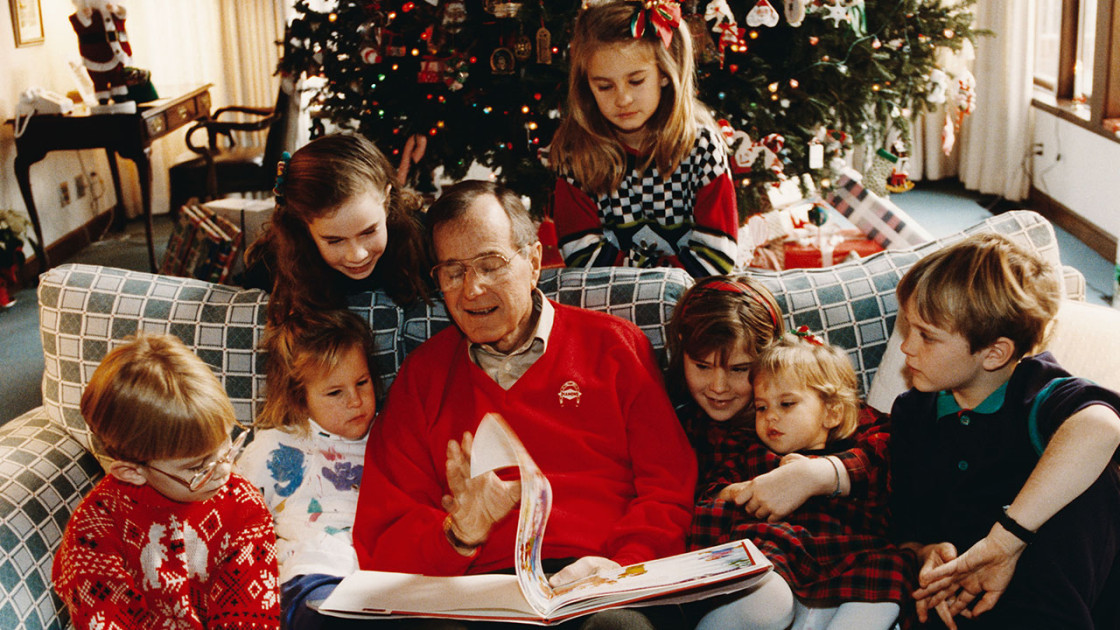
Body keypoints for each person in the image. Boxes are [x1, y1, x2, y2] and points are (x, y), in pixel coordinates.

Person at [352, 179, 697, 629]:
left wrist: (623, 568)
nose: (472, 289)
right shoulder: (423, 377)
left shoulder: (615, 347)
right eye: (453, 272)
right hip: (478, 597)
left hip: (601, 585)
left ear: (533, 262)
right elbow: (382, 537)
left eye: (490, 265)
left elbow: (668, 490)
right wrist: (458, 534)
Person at [890, 232, 1120, 629]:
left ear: (995, 353)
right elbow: (906, 530)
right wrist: (925, 553)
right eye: (907, 327)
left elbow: (1102, 425)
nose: (906, 346)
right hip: (966, 598)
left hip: (1060, 604)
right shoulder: (912, 412)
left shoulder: (1037, 392)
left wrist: (1005, 540)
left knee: (1087, 471)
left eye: (926, 335)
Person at [666, 276, 899, 630]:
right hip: (762, 570)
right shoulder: (685, 429)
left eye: (739, 369)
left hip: (842, 562)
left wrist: (819, 474)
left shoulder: (824, 409)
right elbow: (696, 509)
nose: (718, 386)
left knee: (886, 584)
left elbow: (892, 445)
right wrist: (740, 493)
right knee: (768, 599)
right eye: (702, 366)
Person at [52, 333, 280, 628]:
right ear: (133, 472)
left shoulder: (242, 504)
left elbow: (251, 617)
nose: (224, 469)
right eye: (197, 467)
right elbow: (103, 620)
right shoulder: (94, 527)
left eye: (227, 445)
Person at [547, 0, 739, 278]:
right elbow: (581, 257)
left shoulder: (702, 147)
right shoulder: (576, 154)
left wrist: (653, 283)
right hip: (612, 299)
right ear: (586, 85)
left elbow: (716, 257)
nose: (623, 99)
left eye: (636, 81)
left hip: (695, 298)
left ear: (664, 74)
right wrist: (655, 280)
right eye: (604, 86)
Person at [238, 309, 381, 629]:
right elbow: (234, 517)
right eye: (335, 392)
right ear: (299, 398)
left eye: (362, 382)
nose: (355, 400)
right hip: (314, 574)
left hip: (383, 578)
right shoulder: (275, 446)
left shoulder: (390, 436)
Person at [242, 133, 431, 325]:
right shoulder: (276, 268)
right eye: (334, 240)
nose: (357, 255)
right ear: (303, 225)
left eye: (369, 232)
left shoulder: (424, 240)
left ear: (387, 201)